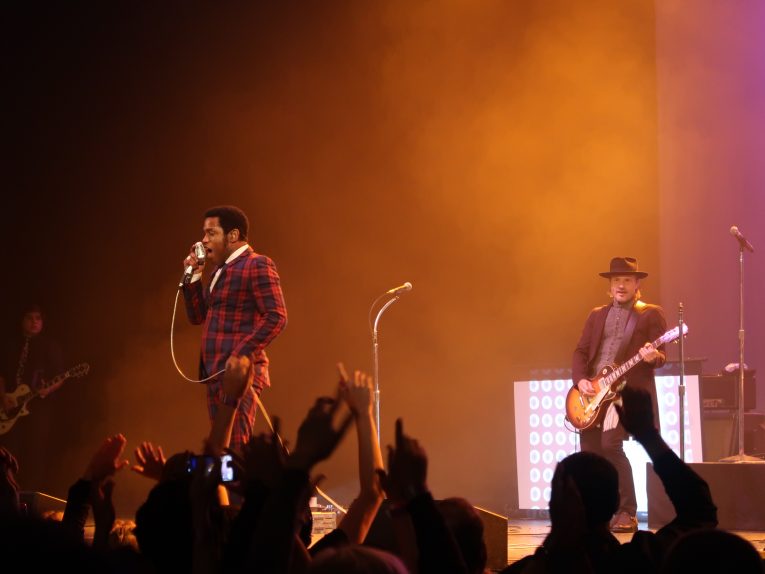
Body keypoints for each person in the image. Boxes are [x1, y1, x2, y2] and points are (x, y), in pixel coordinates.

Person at [572, 257, 667, 533]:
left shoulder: (650, 313)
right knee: (590, 451)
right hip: (593, 392)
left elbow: (661, 356)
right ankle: (597, 511)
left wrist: (652, 357)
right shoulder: (596, 315)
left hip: (624, 392)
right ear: (609, 287)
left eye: (627, 280)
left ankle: (627, 511)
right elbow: (580, 351)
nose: (621, 285)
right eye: (616, 281)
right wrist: (581, 381)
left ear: (637, 284)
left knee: (610, 445)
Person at [182, 205, 287, 451]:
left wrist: (239, 354)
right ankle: (226, 489)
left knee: (234, 449)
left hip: (238, 375)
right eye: (204, 234)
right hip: (216, 373)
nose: (204, 240)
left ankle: (237, 490)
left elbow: (277, 316)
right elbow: (198, 316)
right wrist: (194, 277)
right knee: (221, 446)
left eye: (211, 233)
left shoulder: (256, 264)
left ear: (232, 235)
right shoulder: (219, 271)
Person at [0, 304, 64, 415]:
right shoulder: (10, 345)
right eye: (30, 318)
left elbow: (60, 376)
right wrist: (2, 396)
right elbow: (1, 374)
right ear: (22, 320)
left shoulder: (50, 346)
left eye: (38, 318)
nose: (34, 322)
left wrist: (48, 390)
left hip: (37, 409)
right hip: (8, 405)